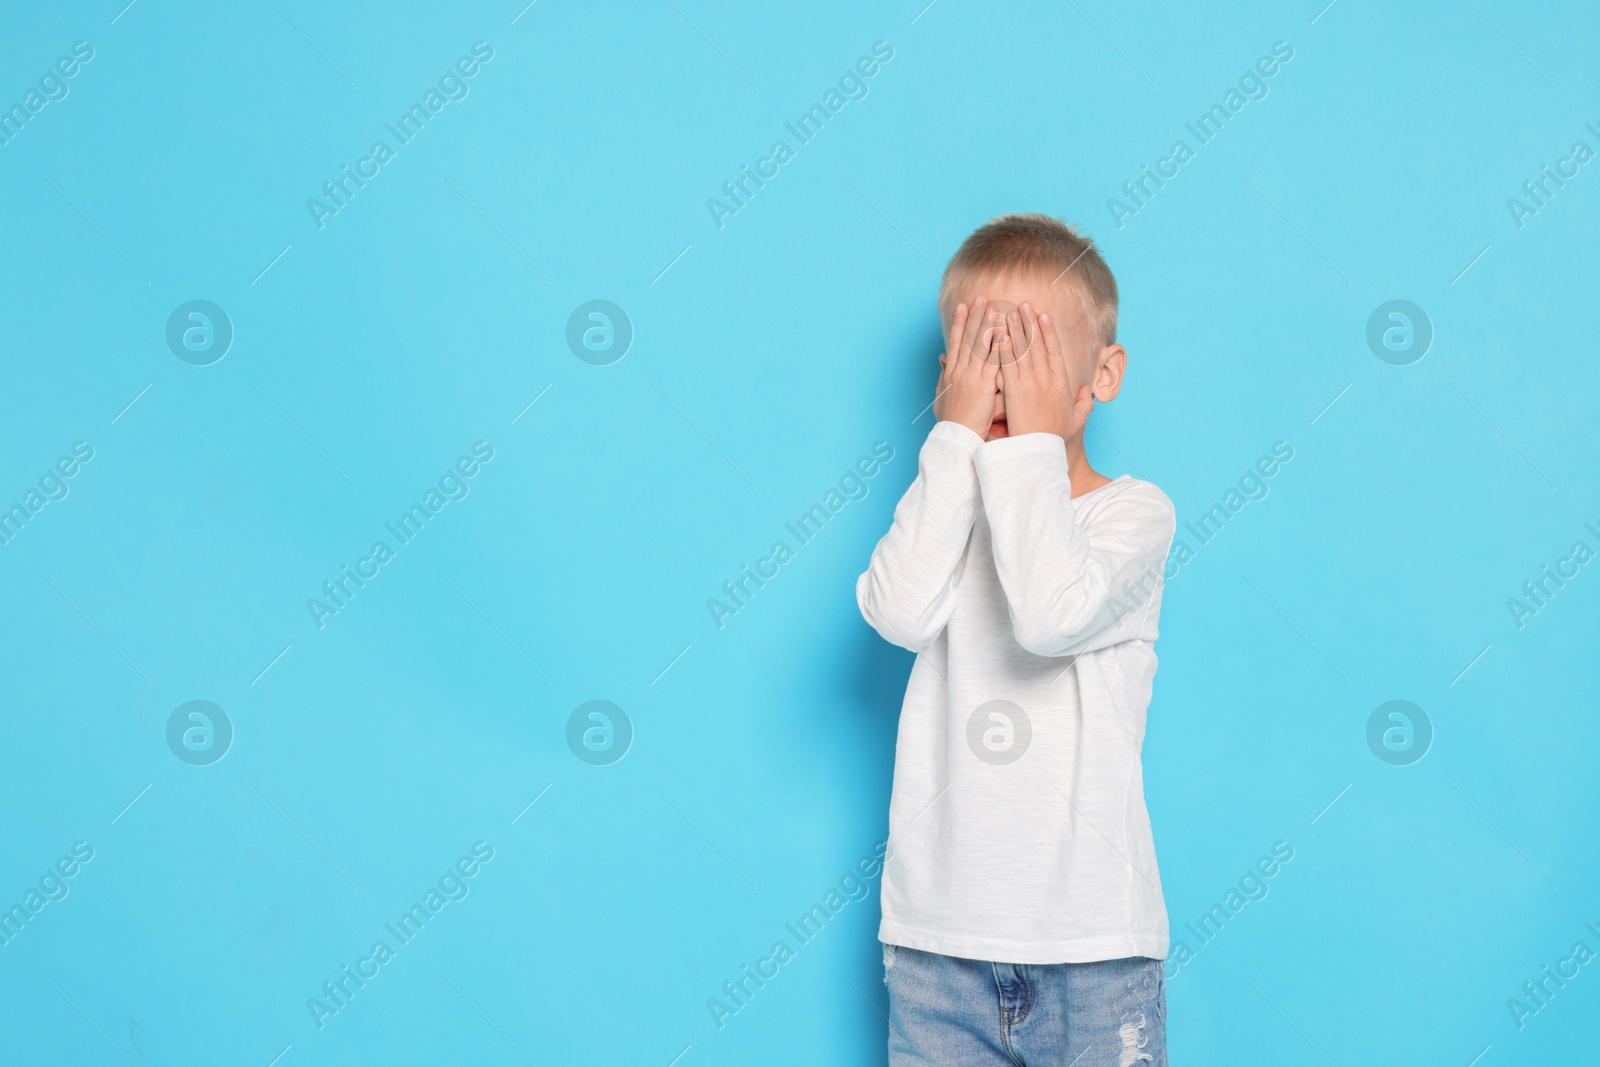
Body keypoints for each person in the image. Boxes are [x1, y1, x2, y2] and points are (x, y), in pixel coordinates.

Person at [856, 213, 1178, 1065]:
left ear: (1101, 375)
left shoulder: (1132, 515)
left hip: (1094, 946)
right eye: (980, 354)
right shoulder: (946, 511)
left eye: (1028, 351)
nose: (1003, 381)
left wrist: (1025, 444)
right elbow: (896, 613)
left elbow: (1049, 611)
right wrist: (956, 437)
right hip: (937, 943)